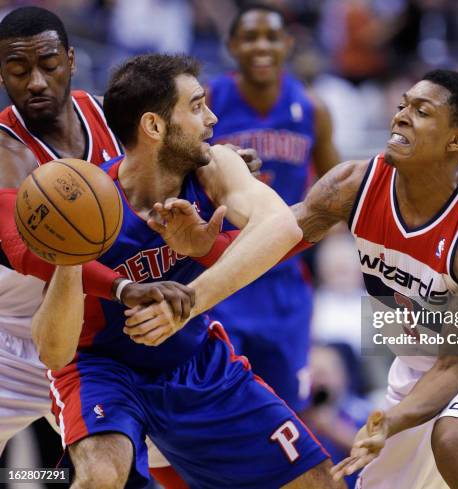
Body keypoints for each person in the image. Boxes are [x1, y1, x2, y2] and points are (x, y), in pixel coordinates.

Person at [147, 69, 458, 489]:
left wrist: (391, 422)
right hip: (423, 354)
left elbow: (455, 366)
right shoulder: (353, 184)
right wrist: (198, 266)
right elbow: (271, 242)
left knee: (455, 440)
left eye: (421, 111)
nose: (400, 116)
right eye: (402, 105)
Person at [34, 52, 343, 489]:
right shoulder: (82, 204)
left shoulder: (215, 166)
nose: (213, 118)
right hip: (105, 368)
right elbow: (53, 353)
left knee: (317, 481)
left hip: (193, 361)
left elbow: (278, 223)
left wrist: (190, 301)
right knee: (99, 480)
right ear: (154, 127)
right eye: (197, 106)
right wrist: (68, 261)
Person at [0, 7, 232, 488]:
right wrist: (124, 287)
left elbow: (180, 149)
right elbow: (41, 257)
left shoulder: (111, 112)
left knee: (174, 468)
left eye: (48, 64)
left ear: (70, 59)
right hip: (18, 343)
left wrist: (218, 167)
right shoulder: (5, 152)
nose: (36, 82)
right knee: (28, 474)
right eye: (19, 71)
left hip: (101, 344)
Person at [207, 2, 340, 412]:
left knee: (284, 409)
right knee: (221, 402)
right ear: (231, 45)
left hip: (284, 279)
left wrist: (326, 230)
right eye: (249, 37)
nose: (261, 46)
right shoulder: (209, 99)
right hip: (223, 272)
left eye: (271, 37)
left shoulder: (312, 109)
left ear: (287, 44)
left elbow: (338, 185)